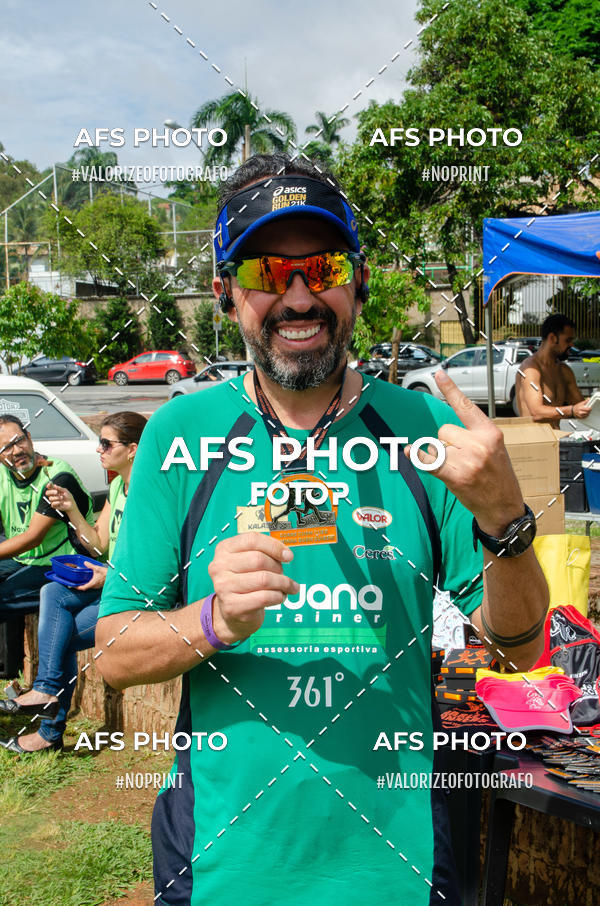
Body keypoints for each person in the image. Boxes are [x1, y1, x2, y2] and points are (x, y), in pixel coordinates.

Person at [96, 154, 549, 906]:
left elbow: (520, 646)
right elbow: (112, 653)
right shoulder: (181, 435)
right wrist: (213, 620)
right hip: (220, 865)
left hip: (397, 865)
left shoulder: (424, 432)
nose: (299, 294)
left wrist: (506, 520)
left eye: (323, 265)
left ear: (358, 282)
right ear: (226, 295)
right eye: (269, 272)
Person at [0, 412, 147, 753]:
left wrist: (109, 575)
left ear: (133, 449)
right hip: (110, 585)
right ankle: (46, 701)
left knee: (58, 630)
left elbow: (161, 562)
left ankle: (48, 724)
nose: (98, 450)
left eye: (106, 443)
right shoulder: (116, 486)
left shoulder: (151, 493)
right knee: (53, 593)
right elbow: (98, 545)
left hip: (136, 594)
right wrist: (74, 512)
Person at [0, 414, 93, 619]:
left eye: (19, 441)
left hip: (62, 564)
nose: (16, 451)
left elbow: (33, 538)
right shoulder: (3, 475)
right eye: (6, 448)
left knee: (2, 599)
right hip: (23, 558)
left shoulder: (56, 475)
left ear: (29, 437)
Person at [515, 314, 591, 426]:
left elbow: (582, 406)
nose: (571, 344)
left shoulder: (564, 371)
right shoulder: (530, 369)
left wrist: (592, 402)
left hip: (556, 439)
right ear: (552, 338)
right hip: (535, 441)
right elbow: (536, 413)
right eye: (568, 340)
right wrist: (572, 410)